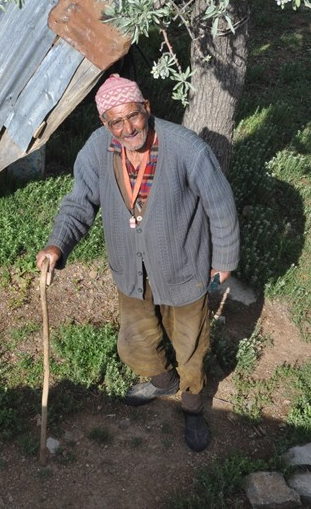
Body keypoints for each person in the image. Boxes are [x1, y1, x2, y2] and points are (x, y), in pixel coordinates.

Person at [36, 74, 239, 452]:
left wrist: (224, 258)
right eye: (116, 122)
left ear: (147, 108)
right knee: (135, 338)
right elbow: (80, 201)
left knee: (190, 343)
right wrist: (57, 245)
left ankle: (193, 406)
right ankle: (163, 381)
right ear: (105, 124)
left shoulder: (185, 149)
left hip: (184, 266)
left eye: (133, 116)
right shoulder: (99, 149)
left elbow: (220, 205)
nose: (128, 128)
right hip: (131, 267)